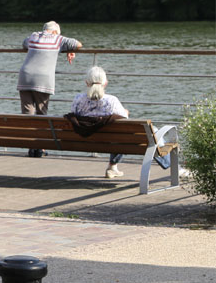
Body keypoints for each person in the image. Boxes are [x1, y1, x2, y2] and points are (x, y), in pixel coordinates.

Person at [70, 66, 186, 179]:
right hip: (114, 140)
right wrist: (125, 112)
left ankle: (112, 167)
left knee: (118, 133)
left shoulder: (77, 99)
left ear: (86, 82)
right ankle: (176, 168)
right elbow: (124, 120)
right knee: (150, 134)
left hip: (85, 140)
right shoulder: (112, 101)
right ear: (105, 83)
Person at [18, 21, 81, 157]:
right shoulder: (58, 39)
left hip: (25, 77)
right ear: (54, 32)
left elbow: (24, 43)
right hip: (43, 79)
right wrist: (68, 49)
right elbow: (78, 44)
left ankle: (31, 147)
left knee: (27, 114)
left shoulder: (34, 36)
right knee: (42, 113)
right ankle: (40, 147)